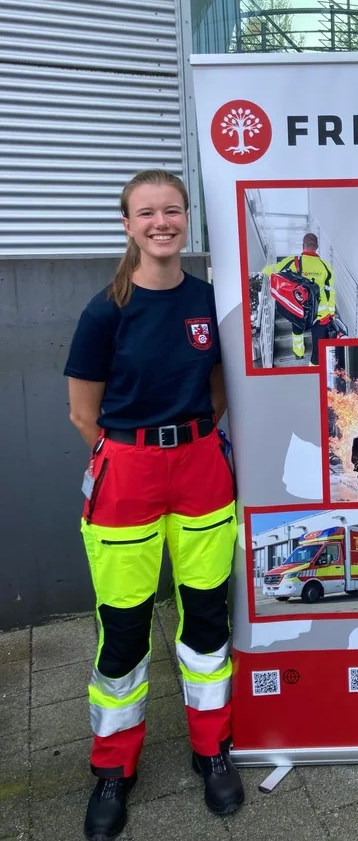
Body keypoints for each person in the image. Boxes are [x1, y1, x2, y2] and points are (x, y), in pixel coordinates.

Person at [64, 170, 243, 841]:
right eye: (147, 213)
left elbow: (221, 391)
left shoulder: (208, 300)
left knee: (205, 619)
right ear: (128, 224)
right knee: (125, 631)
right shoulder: (104, 311)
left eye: (172, 211)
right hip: (128, 475)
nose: (161, 223)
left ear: (186, 218)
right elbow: (84, 412)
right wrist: (142, 449)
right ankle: (114, 767)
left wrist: (184, 439)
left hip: (200, 467)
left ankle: (212, 748)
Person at [263, 232, 336, 366]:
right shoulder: (326, 266)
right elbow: (330, 291)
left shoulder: (293, 261)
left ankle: (299, 352)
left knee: (297, 331)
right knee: (319, 348)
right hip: (321, 314)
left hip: (299, 308)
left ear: (303, 246)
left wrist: (263, 271)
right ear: (317, 247)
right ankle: (313, 369)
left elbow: (274, 269)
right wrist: (331, 312)